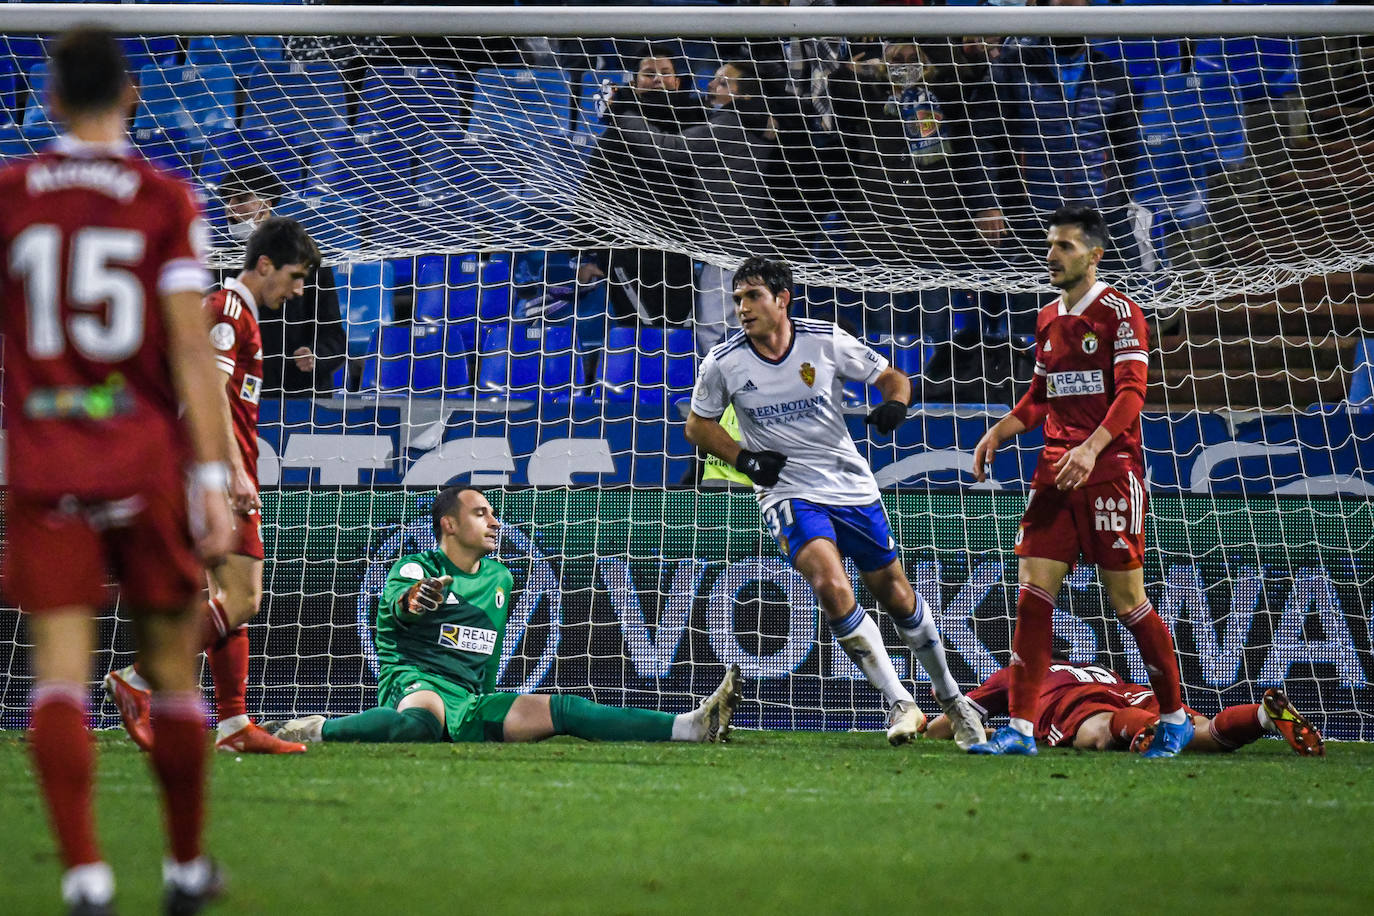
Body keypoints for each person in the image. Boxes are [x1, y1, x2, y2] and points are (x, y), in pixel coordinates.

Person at [0, 27, 235, 915]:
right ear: (131, 94)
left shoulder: (11, 194)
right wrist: (213, 482)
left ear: (50, 100)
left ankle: (85, 877)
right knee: (171, 666)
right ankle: (181, 870)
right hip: (142, 459)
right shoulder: (164, 198)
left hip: (43, 455)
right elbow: (186, 347)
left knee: (58, 675)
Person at [683, 256, 985, 750]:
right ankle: (899, 700)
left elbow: (894, 378)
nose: (742, 308)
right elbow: (698, 425)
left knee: (898, 595)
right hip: (788, 490)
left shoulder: (823, 340)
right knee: (828, 582)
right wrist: (746, 460)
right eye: (738, 298)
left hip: (850, 485)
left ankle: (952, 699)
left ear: (782, 299)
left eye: (753, 296)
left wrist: (894, 405)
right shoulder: (723, 361)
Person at [264, 486, 742, 745]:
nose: (495, 521)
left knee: (564, 710)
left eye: (494, 513)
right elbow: (401, 605)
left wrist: (485, 700)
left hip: (472, 699)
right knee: (421, 722)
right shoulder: (418, 565)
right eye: (481, 513)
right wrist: (419, 599)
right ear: (448, 525)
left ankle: (688, 726)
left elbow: (488, 653)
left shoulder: (501, 578)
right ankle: (317, 727)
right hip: (414, 682)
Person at [969, 206, 1189, 758]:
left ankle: (1176, 716)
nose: (1051, 256)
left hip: (1110, 475)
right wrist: (1001, 430)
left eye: (1064, 246)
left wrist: (1092, 449)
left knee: (1127, 601)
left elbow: (1131, 393)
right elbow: (1041, 397)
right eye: (1050, 245)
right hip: (1054, 476)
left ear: (1094, 255)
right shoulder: (1047, 318)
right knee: (1032, 595)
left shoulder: (1120, 312)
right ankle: (1020, 728)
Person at [105, 217, 321, 756]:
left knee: (225, 598)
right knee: (245, 598)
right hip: (214, 471)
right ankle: (139, 678)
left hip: (201, 469)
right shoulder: (228, 310)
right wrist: (233, 471)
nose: (297, 291)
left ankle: (232, 725)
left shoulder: (236, 312)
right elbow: (212, 393)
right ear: (264, 265)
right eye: (294, 277)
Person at [608, 60, 784, 355]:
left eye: (723, 83)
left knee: (715, 334)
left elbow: (669, 148)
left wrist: (623, 112)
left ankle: (725, 399)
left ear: (744, 96)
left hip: (732, 249)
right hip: (738, 246)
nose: (711, 86)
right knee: (733, 334)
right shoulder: (746, 121)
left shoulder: (730, 125)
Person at [924, 661, 1325, 757]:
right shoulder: (1093, 667)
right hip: (1130, 691)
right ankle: (1260, 716)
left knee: (1096, 731)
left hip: (1075, 705)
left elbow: (956, 721)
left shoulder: (1020, 670)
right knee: (1195, 730)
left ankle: (1135, 731)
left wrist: (926, 727)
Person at [218, 164, 346, 395]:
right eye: (227, 201)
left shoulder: (306, 259)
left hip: (299, 395)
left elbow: (335, 337)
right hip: (238, 394)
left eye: (240, 199)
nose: (230, 209)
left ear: (266, 203)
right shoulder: (218, 263)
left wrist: (316, 355)